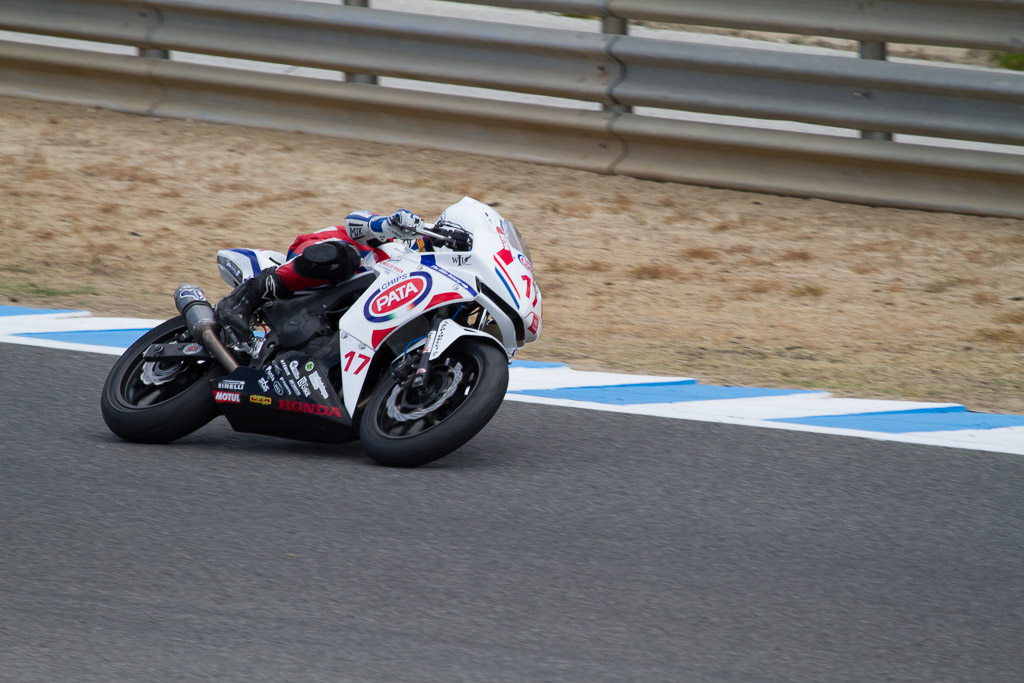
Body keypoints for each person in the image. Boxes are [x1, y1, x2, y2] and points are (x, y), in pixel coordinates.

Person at [215, 209, 424, 337]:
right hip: (320, 256)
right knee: (346, 256)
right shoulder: (412, 234)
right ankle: (243, 300)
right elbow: (355, 220)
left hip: (340, 305)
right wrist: (386, 224)